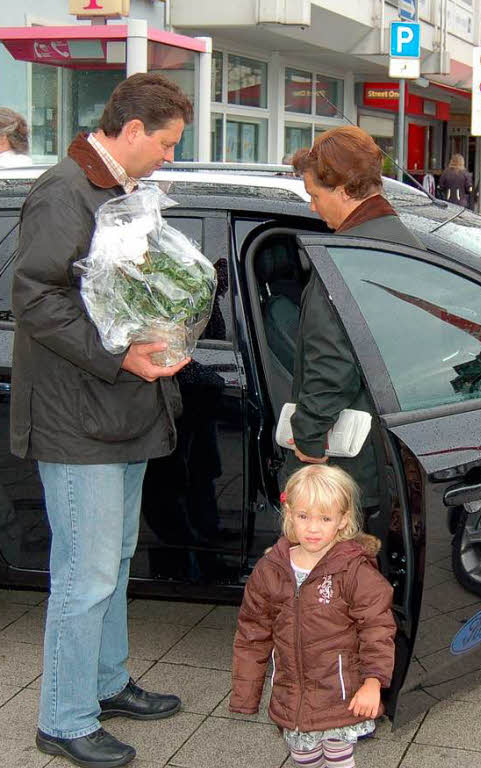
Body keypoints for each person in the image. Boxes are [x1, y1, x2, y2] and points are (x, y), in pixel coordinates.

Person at [12, 73, 193, 768]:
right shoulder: (64, 191)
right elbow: (35, 299)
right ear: (132, 130)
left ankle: (107, 683)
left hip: (119, 409)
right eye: (168, 144)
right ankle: (63, 716)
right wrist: (122, 357)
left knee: (113, 564)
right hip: (77, 414)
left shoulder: (119, 190)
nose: (170, 157)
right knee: (84, 576)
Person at [289, 127, 423, 508]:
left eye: (314, 195)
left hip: (357, 450)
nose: (312, 207)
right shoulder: (402, 241)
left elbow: (332, 363)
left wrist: (309, 436)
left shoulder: (349, 257)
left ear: (344, 190)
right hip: (392, 440)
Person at [230, 464, 397, 768]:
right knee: (303, 758)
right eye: (304, 516)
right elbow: (252, 634)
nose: (313, 528)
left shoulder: (354, 571)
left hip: (341, 695)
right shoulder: (270, 570)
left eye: (325, 518)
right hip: (292, 695)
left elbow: (377, 629)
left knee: (337, 758)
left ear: (342, 521)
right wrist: (245, 693)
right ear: (289, 513)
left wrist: (373, 682)